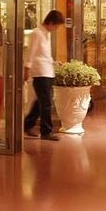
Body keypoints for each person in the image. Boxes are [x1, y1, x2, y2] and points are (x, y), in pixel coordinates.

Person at [23, 10, 65, 141]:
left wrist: (53, 62)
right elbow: (31, 52)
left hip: (47, 71)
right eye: (56, 26)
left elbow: (44, 54)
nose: (56, 29)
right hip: (40, 72)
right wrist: (26, 68)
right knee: (46, 103)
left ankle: (27, 125)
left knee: (41, 102)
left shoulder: (47, 34)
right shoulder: (37, 33)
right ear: (51, 22)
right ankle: (46, 131)